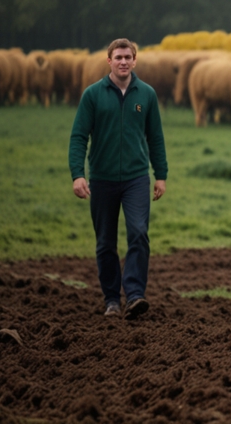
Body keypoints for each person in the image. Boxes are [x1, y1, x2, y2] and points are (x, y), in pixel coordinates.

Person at [69, 39, 168, 319]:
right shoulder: (92, 95)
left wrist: (160, 175)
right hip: (102, 179)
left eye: (128, 57)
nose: (123, 61)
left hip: (137, 178)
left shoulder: (146, 95)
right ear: (109, 61)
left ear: (135, 61)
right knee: (105, 243)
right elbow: (78, 137)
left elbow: (156, 139)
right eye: (118, 57)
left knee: (138, 232)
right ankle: (112, 300)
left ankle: (135, 295)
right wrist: (78, 175)